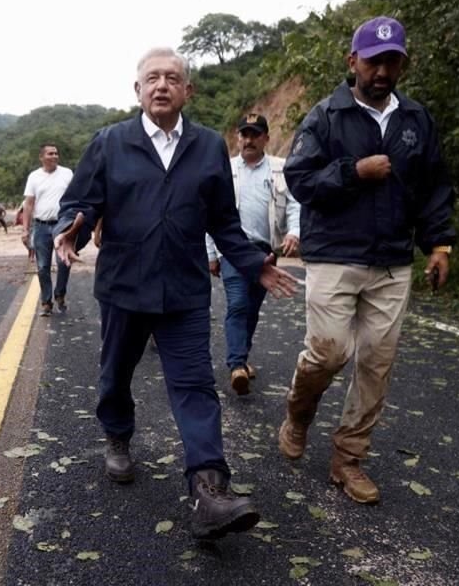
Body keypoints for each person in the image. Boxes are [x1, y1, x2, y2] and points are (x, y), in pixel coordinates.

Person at [53, 47, 298, 540]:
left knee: (195, 387)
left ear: (188, 90)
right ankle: (118, 436)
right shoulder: (110, 142)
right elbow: (81, 203)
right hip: (124, 287)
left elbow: (224, 223)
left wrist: (255, 266)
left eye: (172, 78)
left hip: (184, 290)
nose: (161, 85)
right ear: (138, 90)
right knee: (116, 375)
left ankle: (210, 490)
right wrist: (69, 231)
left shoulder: (208, 147)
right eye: (152, 78)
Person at [279, 16, 455, 504]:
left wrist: (439, 245)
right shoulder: (325, 116)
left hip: (393, 261)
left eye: (392, 61)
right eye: (374, 61)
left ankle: (348, 459)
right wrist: (354, 172)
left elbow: (435, 187)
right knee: (329, 352)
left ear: (402, 63)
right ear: (352, 61)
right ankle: (298, 411)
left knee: (377, 362)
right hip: (336, 255)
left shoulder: (416, 120)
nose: (382, 70)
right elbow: (300, 179)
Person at [206, 113, 301, 395]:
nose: (248, 140)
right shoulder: (225, 170)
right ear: (238, 138)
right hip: (232, 249)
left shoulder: (279, 170)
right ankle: (236, 365)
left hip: (265, 251)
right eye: (244, 135)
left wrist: (294, 232)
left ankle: (242, 358)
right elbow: (211, 214)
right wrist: (210, 252)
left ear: (266, 139)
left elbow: (295, 204)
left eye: (255, 135)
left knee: (252, 308)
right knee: (237, 303)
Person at [22, 144, 73, 317]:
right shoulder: (34, 177)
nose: (54, 156)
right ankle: (46, 302)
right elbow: (29, 204)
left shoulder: (67, 174)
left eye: (56, 153)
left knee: (63, 262)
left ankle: (60, 294)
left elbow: (74, 197)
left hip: (62, 225)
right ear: (42, 157)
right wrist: (25, 230)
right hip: (41, 226)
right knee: (42, 266)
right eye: (50, 154)